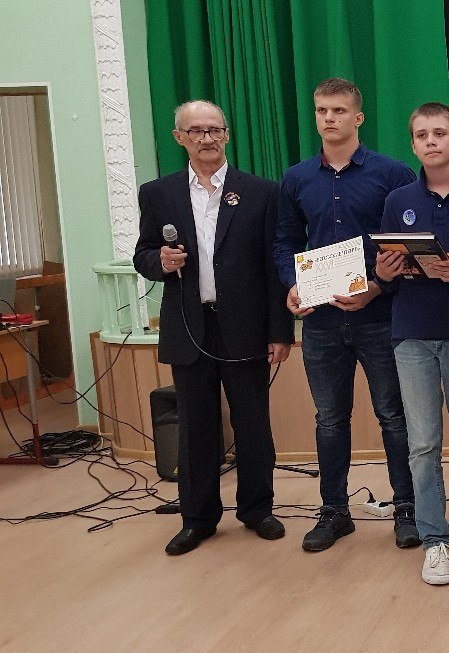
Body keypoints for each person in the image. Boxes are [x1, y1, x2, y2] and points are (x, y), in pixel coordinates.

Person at [133, 100, 292, 555]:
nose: (207, 138)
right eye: (196, 131)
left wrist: (280, 331)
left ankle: (257, 510)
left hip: (246, 326)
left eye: (215, 130)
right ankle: (198, 519)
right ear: (179, 137)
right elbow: (143, 255)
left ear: (227, 134)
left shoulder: (261, 191)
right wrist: (160, 261)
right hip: (189, 325)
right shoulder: (158, 193)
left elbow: (273, 266)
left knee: (253, 425)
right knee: (196, 428)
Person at [273, 78, 419, 552]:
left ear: (358, 117)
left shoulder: (392, 173)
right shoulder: (297, 178)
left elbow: (406, 247)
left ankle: (407, 508)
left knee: (393, 416)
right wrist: (292, 285)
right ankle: (334, 511)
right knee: (330, 419)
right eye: (321, 110)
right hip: (321, 322)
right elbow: (285, 242)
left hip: (380, 317)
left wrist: (375, 288)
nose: (329, 118)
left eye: (338, 110)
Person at [373, 103, 449, 585]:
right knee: (423, 443)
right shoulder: (398, 199)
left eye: (440, 133)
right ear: (412, 145)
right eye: (422, 135)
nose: (431, 141)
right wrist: (385, 272)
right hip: (412, 334)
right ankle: (434, 540)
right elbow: (386, 271)